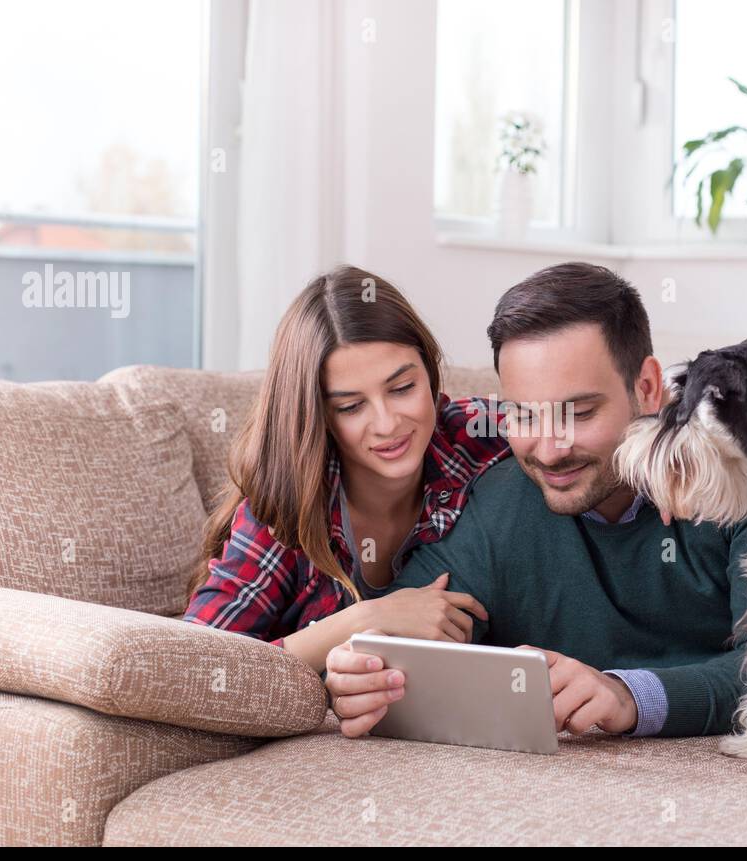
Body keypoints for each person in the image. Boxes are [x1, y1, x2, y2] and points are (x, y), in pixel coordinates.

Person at [324, 262, 747, 739]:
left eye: (578, 413)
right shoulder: (497, 507)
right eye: (524, 416)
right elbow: (395, 650)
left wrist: (629, 696)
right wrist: (360, 672)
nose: (550, 450)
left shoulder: (746, 485)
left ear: (647, 389)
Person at [184, 265, 511, 674]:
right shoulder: (285, 508)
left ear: (429, 373)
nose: (388, 424)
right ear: (318, 416)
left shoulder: (474, 432)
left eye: (402, 388)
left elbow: (589, 431)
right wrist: (365, 620)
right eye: (351, 406)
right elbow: (196, 666)